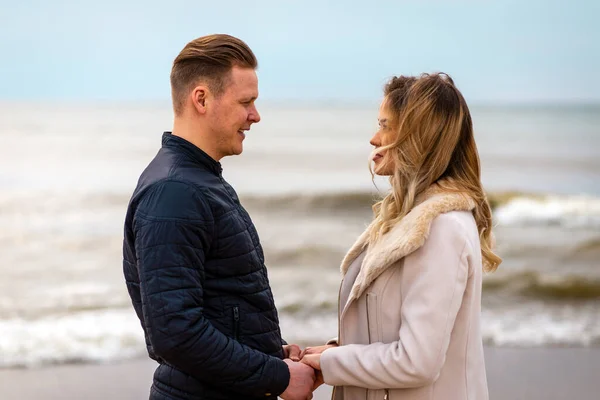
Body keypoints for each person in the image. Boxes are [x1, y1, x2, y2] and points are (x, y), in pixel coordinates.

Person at [122, 34, 315, 400]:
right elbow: (175, 332)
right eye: (246, 102)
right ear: (202, 99)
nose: (255, 116)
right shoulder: (175, 191)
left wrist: (274, 353)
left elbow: (224, 303)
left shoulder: (199, 180)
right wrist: (278, 377)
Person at [300, 73, 502, 400]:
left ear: (415, 135)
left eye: (384, 125)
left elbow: (416, 361)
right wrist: (331, 354)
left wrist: (332, 362)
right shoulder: (406, 219)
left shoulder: (442, 227)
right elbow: (391, 327)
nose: (373, 138)